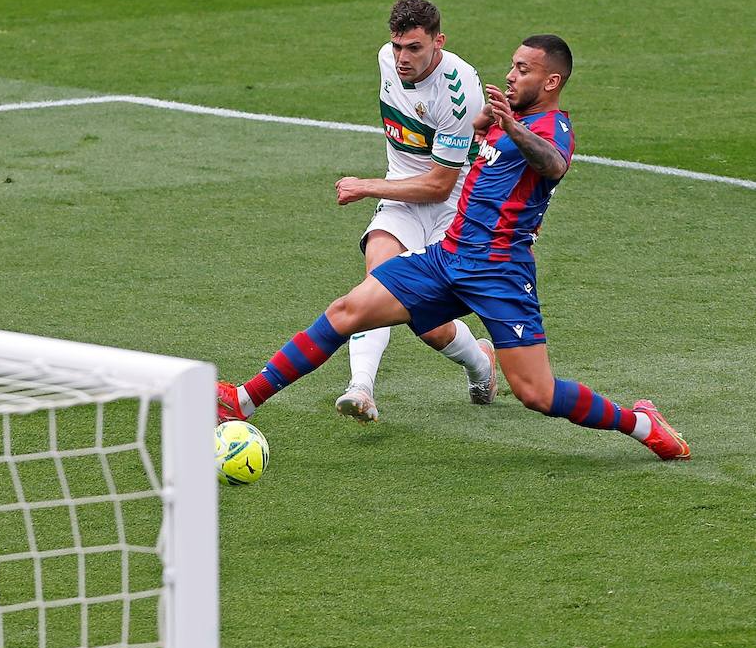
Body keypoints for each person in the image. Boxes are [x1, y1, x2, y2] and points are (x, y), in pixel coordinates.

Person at [217, 35, 690, 461]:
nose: (510, 74)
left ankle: (643, 422)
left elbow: (553, 165)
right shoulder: (501, 120)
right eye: (512, 64)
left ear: (552, 81)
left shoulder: (551, 127)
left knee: (536, 393)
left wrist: (510, 124)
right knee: (346, 310)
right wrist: (486, 123)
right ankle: (242, 400)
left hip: (499, 271)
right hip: (448, 257)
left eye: (523, 69)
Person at [333, 0, 497, 423]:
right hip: (403, 196)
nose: (402, 58)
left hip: (453, 205)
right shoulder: (386, 59)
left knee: (427, 322)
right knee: (376, 286)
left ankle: (481, 363)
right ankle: (361, 388)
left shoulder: (459, 91)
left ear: (438, 42)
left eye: (414, 48)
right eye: (397, 46)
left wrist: (366, 186)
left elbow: (440, 185)